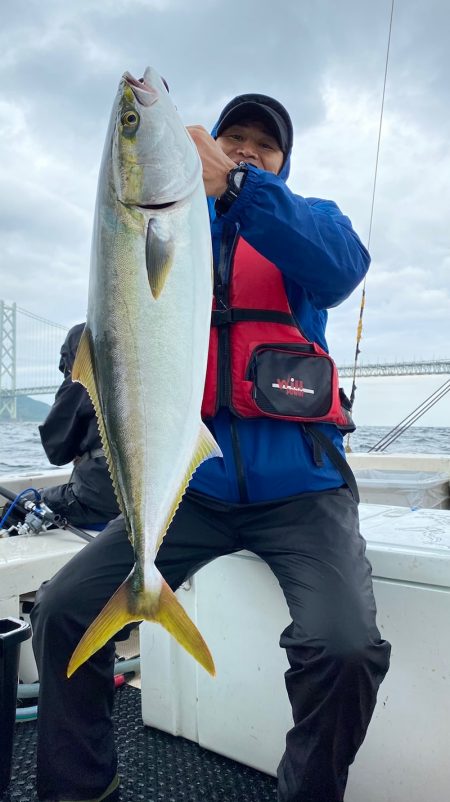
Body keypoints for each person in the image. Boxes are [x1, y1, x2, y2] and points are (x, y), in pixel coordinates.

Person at [31, 92, 391, 802]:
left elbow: (343, 266)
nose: (249, 148)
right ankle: (79, 791)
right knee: (64, 608)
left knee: (345, 649)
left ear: (284, 163)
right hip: (189, 489)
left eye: (267, 144)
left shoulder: (303, 222)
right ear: (209, 143)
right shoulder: (176, 231)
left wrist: (241, 189)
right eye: (235, 137)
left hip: (303, 491)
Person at [38, 324, 121, 528]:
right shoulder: (133, 379)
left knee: (24, 504)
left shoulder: (80, 381)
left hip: (99, 498)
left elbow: (56, 452)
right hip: (150, 498)